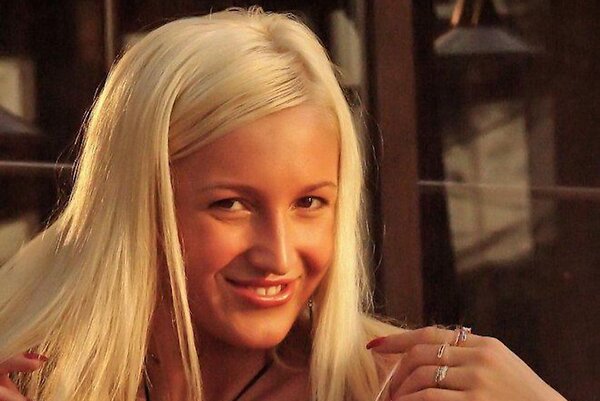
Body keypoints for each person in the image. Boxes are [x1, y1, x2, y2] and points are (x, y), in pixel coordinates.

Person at [0, 7, 568, 401]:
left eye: (310, 202)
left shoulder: (399, 391)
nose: (278, 255)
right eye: (231, 205)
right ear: (138, 204)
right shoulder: (31, 376)